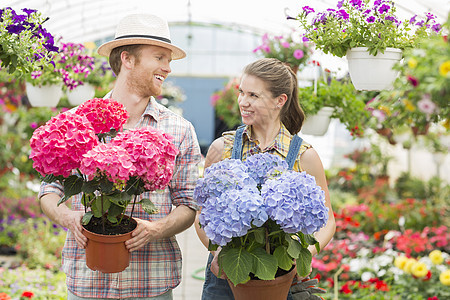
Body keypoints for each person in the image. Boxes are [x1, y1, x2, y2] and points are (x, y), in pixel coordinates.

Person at [38, 14, 202, 299]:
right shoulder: (76, 122)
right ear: (127, 59)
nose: (167, 67)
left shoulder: (180, 130)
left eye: (169, 60)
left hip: (151, 281)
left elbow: (188, 204)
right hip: (87, 281)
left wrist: (156, 228)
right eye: (160, 57)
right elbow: (49, 190)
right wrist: (68, 217)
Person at [194, 58, 336, 299]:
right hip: (226, 277)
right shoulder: (222, 148)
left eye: (253, 95)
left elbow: (328, 220)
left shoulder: (304, 155)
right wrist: (217, 251)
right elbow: (202, 214)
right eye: (241, 92)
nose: (242, 102)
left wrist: (306, 254)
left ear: (279, 101)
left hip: (281, 275)